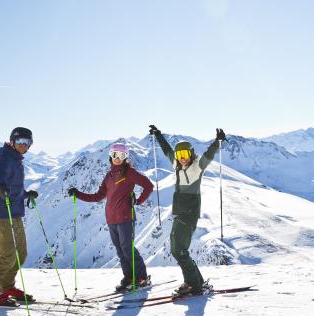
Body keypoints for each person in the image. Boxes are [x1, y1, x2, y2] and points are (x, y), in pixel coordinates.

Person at [148, 125, 225, 298]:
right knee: (179, 249)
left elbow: (208, 155)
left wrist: (217, 141)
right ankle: (196, 282)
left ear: (190, 154)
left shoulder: (197, 166)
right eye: (179, 155)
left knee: (178, 251)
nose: (182, 159)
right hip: (180, 211)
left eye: (185, 155)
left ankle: (193, 285)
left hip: (189, 212)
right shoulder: (176, 164)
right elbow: (167, 150)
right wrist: (158, 135)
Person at [67, 143, 155, 292]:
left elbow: (148, 186)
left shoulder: (129, 173)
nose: (117, 158)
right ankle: (129, 277)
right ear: (110, 156)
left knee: (127, 248)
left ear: (125, 157)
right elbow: (97, 196)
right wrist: (78, 194)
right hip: (111, 218)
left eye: (121, 156)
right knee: (120, 251)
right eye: (115, 155)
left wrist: (138, 201)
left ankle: (142, 277)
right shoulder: (109, 176)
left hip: (126, 217)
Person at [0, 127, 39, 305]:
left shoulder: (17, 160)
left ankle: (6, 286)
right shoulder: (4, 158)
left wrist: (26, 194)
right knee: (9, 254)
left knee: (21, 253)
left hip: (16, 213)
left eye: (27, 143)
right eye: (20, 142)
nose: (23, 146)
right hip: (2, 214)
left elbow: (14, 189)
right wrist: (0, 188)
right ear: (12, 141)